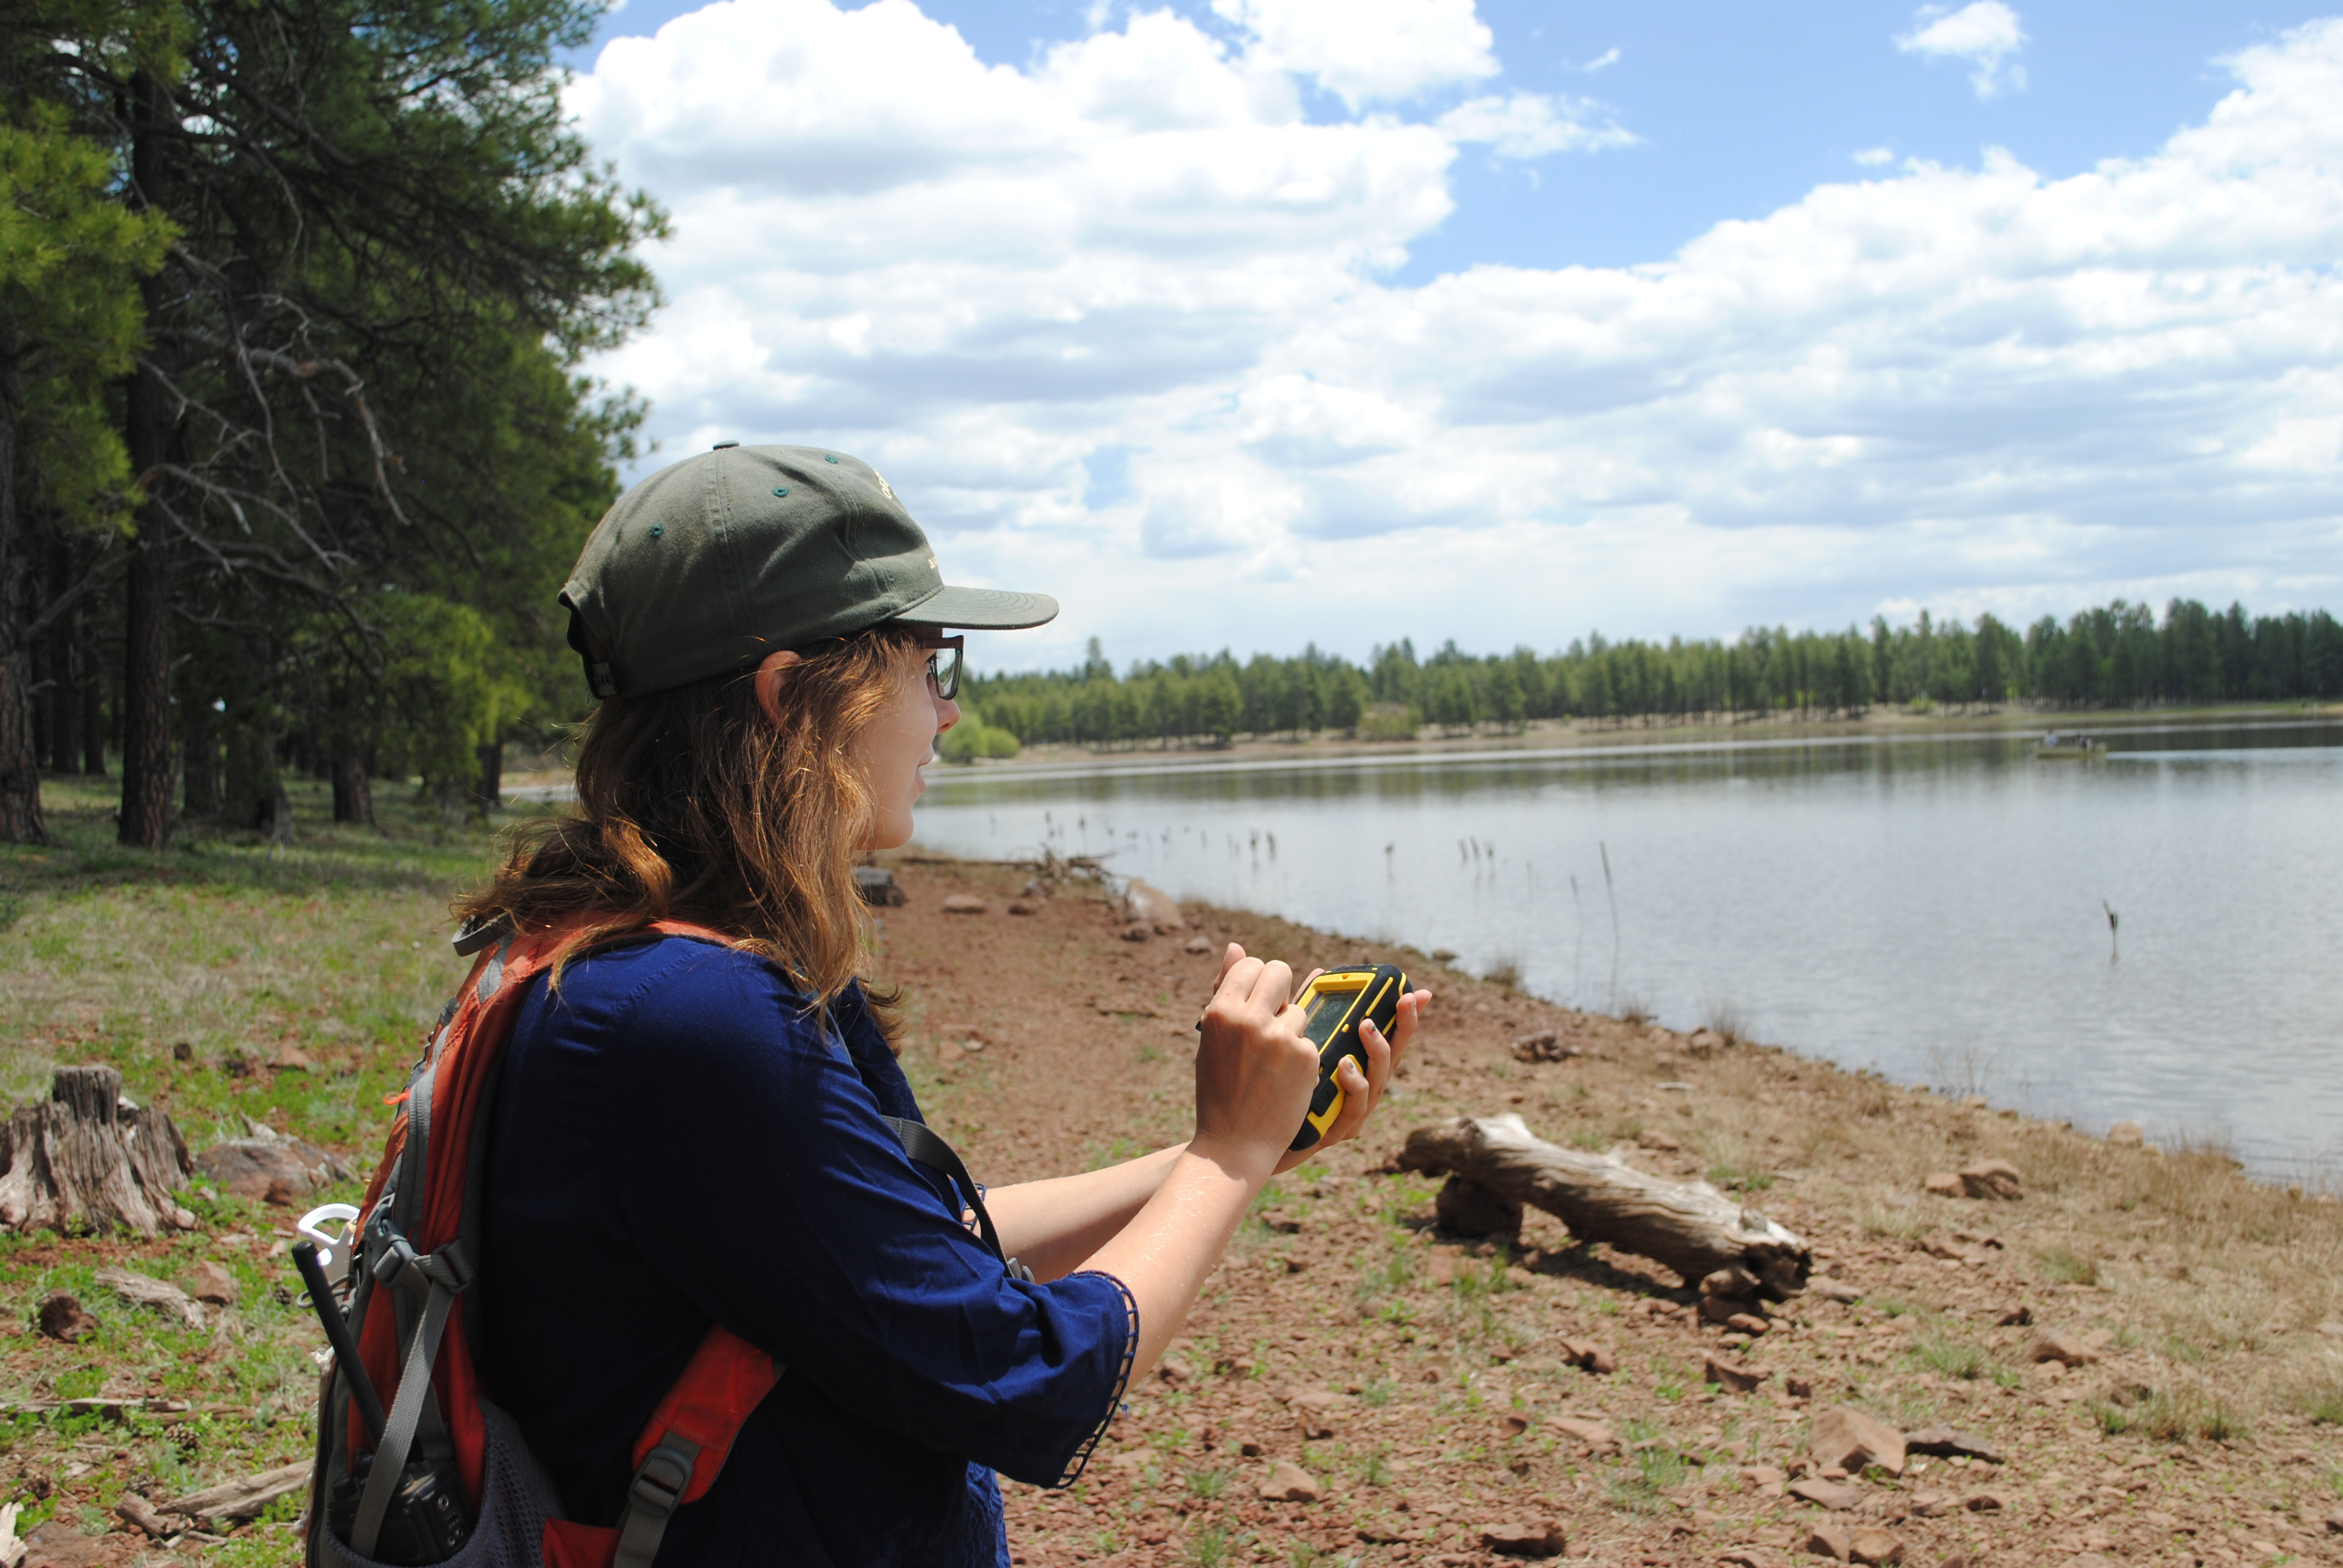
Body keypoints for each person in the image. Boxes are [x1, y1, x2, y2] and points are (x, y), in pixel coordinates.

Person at [456, 443, 1430, 1566]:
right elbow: (1041, 1383)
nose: (947, 716)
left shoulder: (631, 965)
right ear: (789, 698)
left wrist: (1238, 1151)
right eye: (928, 667)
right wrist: (1225, 1156)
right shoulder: (689, 1021)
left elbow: (918, 1258)